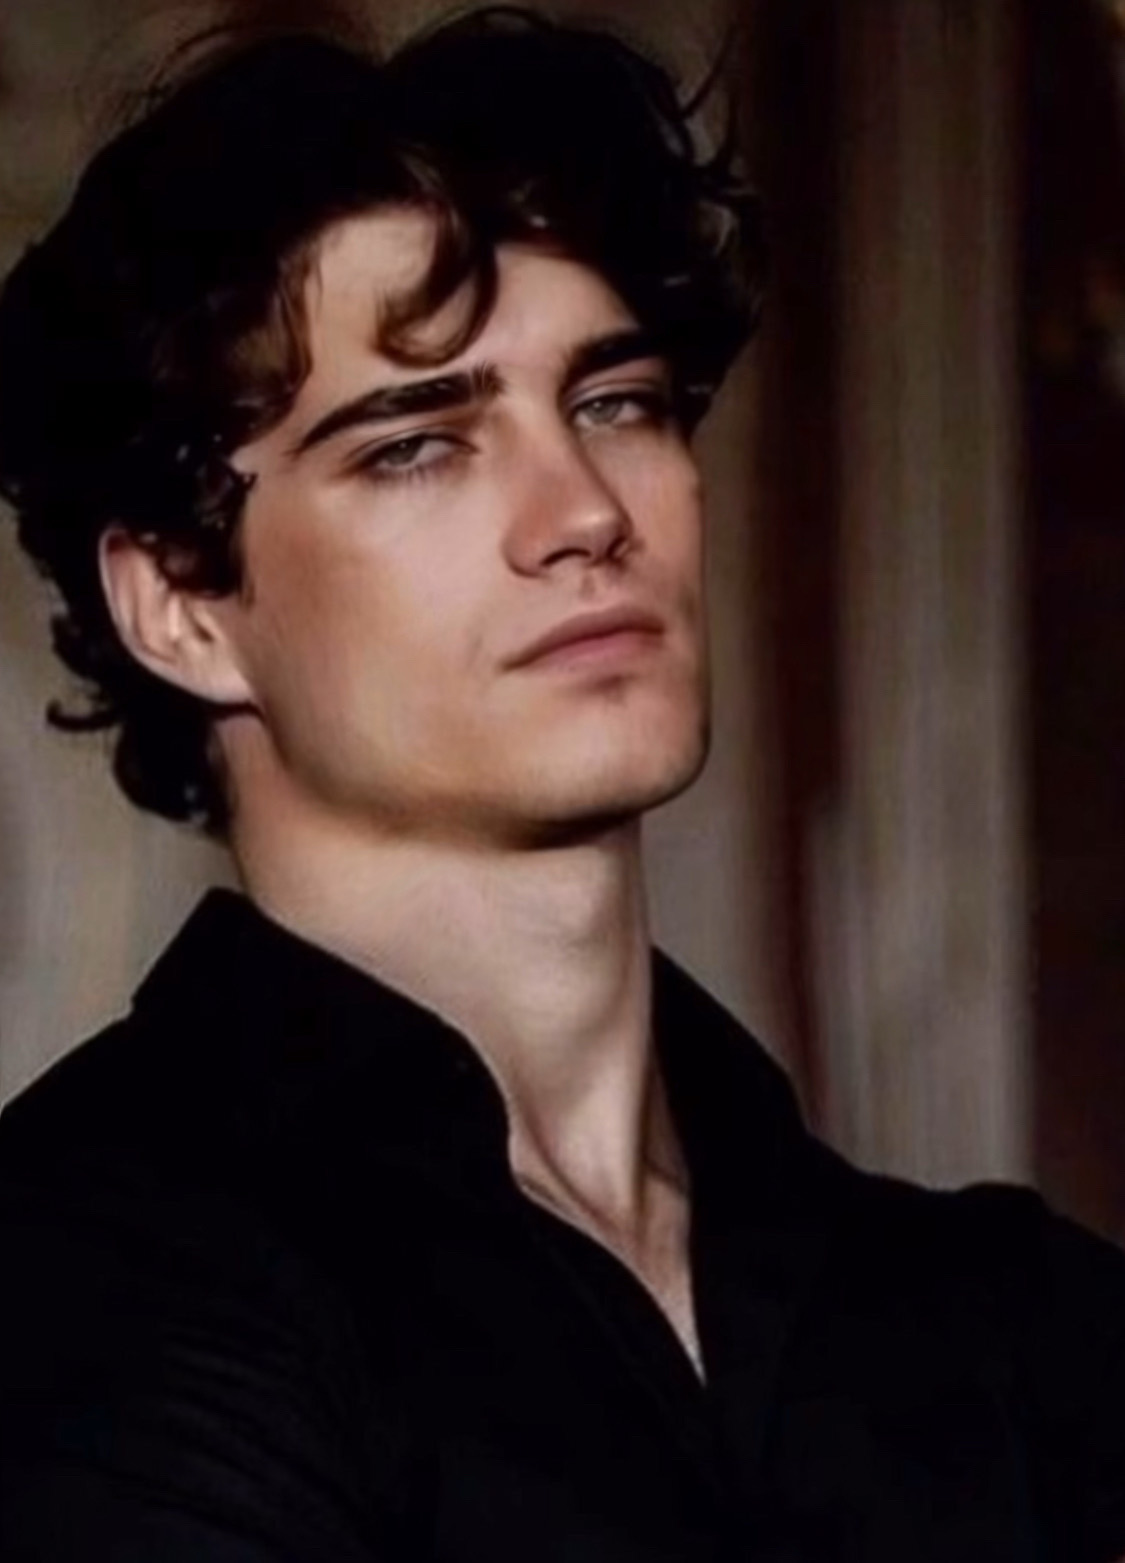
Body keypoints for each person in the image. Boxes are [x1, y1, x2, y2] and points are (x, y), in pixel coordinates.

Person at [0, 9, 1123, 1561]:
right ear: (182, 605)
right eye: (415, 445)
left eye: (614, 403)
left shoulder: (1012, 1316)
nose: (584, 510)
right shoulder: (75, 1276)